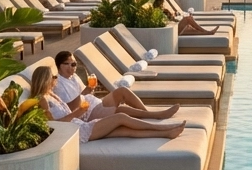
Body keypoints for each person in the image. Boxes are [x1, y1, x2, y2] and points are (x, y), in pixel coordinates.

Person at [29, 66, 185, 143]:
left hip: (80, 126)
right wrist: (76, 114)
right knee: (121, 117)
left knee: (125, 131)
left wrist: (80, 110)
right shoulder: (42, 100)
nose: (55, 80)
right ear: (46, 80)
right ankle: (163, 127)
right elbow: (51, 124)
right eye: (53, 77)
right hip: (79, 131)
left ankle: (166, 133)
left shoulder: (51, 95)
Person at [51, 51, 179, 119]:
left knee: (122, 91)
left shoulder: (74, 77)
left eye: (73, 64)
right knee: (120, 111)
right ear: (58, 66)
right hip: (87, 113)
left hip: (95, 103)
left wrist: (90, 90)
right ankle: (157, 115)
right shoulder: (58, 84)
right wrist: (86, 92)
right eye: (66, 64)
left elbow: (84, 95)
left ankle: (147, 113)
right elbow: (69, 109)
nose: (71, 67)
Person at [150, 0, 219, 35]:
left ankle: (208, 32)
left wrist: (175, 18)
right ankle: (207, 31)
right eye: (161, 4)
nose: (163, 5)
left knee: (190, 29)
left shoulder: (165, 11)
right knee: (188, 19)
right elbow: (166, 23)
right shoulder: (158, 14)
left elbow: (173, 19)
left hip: (174, 27)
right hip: (171, 31)